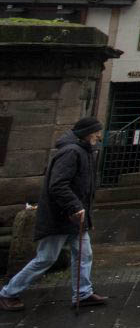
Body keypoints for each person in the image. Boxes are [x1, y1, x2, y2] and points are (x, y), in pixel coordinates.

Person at [0, 117, 108, 311]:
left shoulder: (83, 151)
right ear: (87, 133)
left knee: (84, 255)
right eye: (97, 132)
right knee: (46, 258)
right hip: (61, 216)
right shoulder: (71, 152)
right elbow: (57, 185)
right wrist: (75, 206)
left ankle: (83, 293)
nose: (99, 136)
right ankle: (8, 293)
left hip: (75, 217)